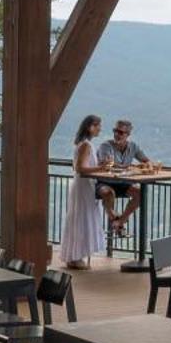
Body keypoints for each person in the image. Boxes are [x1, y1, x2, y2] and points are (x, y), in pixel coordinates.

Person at [62, 114, 110, 270]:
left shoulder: (83, 144)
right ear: (90, 127)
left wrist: (99, 165)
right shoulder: (86, 145)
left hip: (82, 186)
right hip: (84, 186)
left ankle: (75, 256)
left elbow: (82, 165)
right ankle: (76, 258)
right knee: (82, 219)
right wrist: (101, 168)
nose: (100, 129)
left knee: (79, 219)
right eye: (97, 126)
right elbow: (80, 168)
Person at [95, 119, 155, 237]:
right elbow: (108, 164)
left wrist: (148, 165)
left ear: (128, 135)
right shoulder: (105, 146)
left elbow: (146, 160)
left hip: (122, 182)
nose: (117, 134)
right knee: (108, 193)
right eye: (115, 131)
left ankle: (120, 221)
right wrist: (130, 167)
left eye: (121, 132)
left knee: (140, 193)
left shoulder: (133, 146)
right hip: (104, 181)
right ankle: (116, 221)